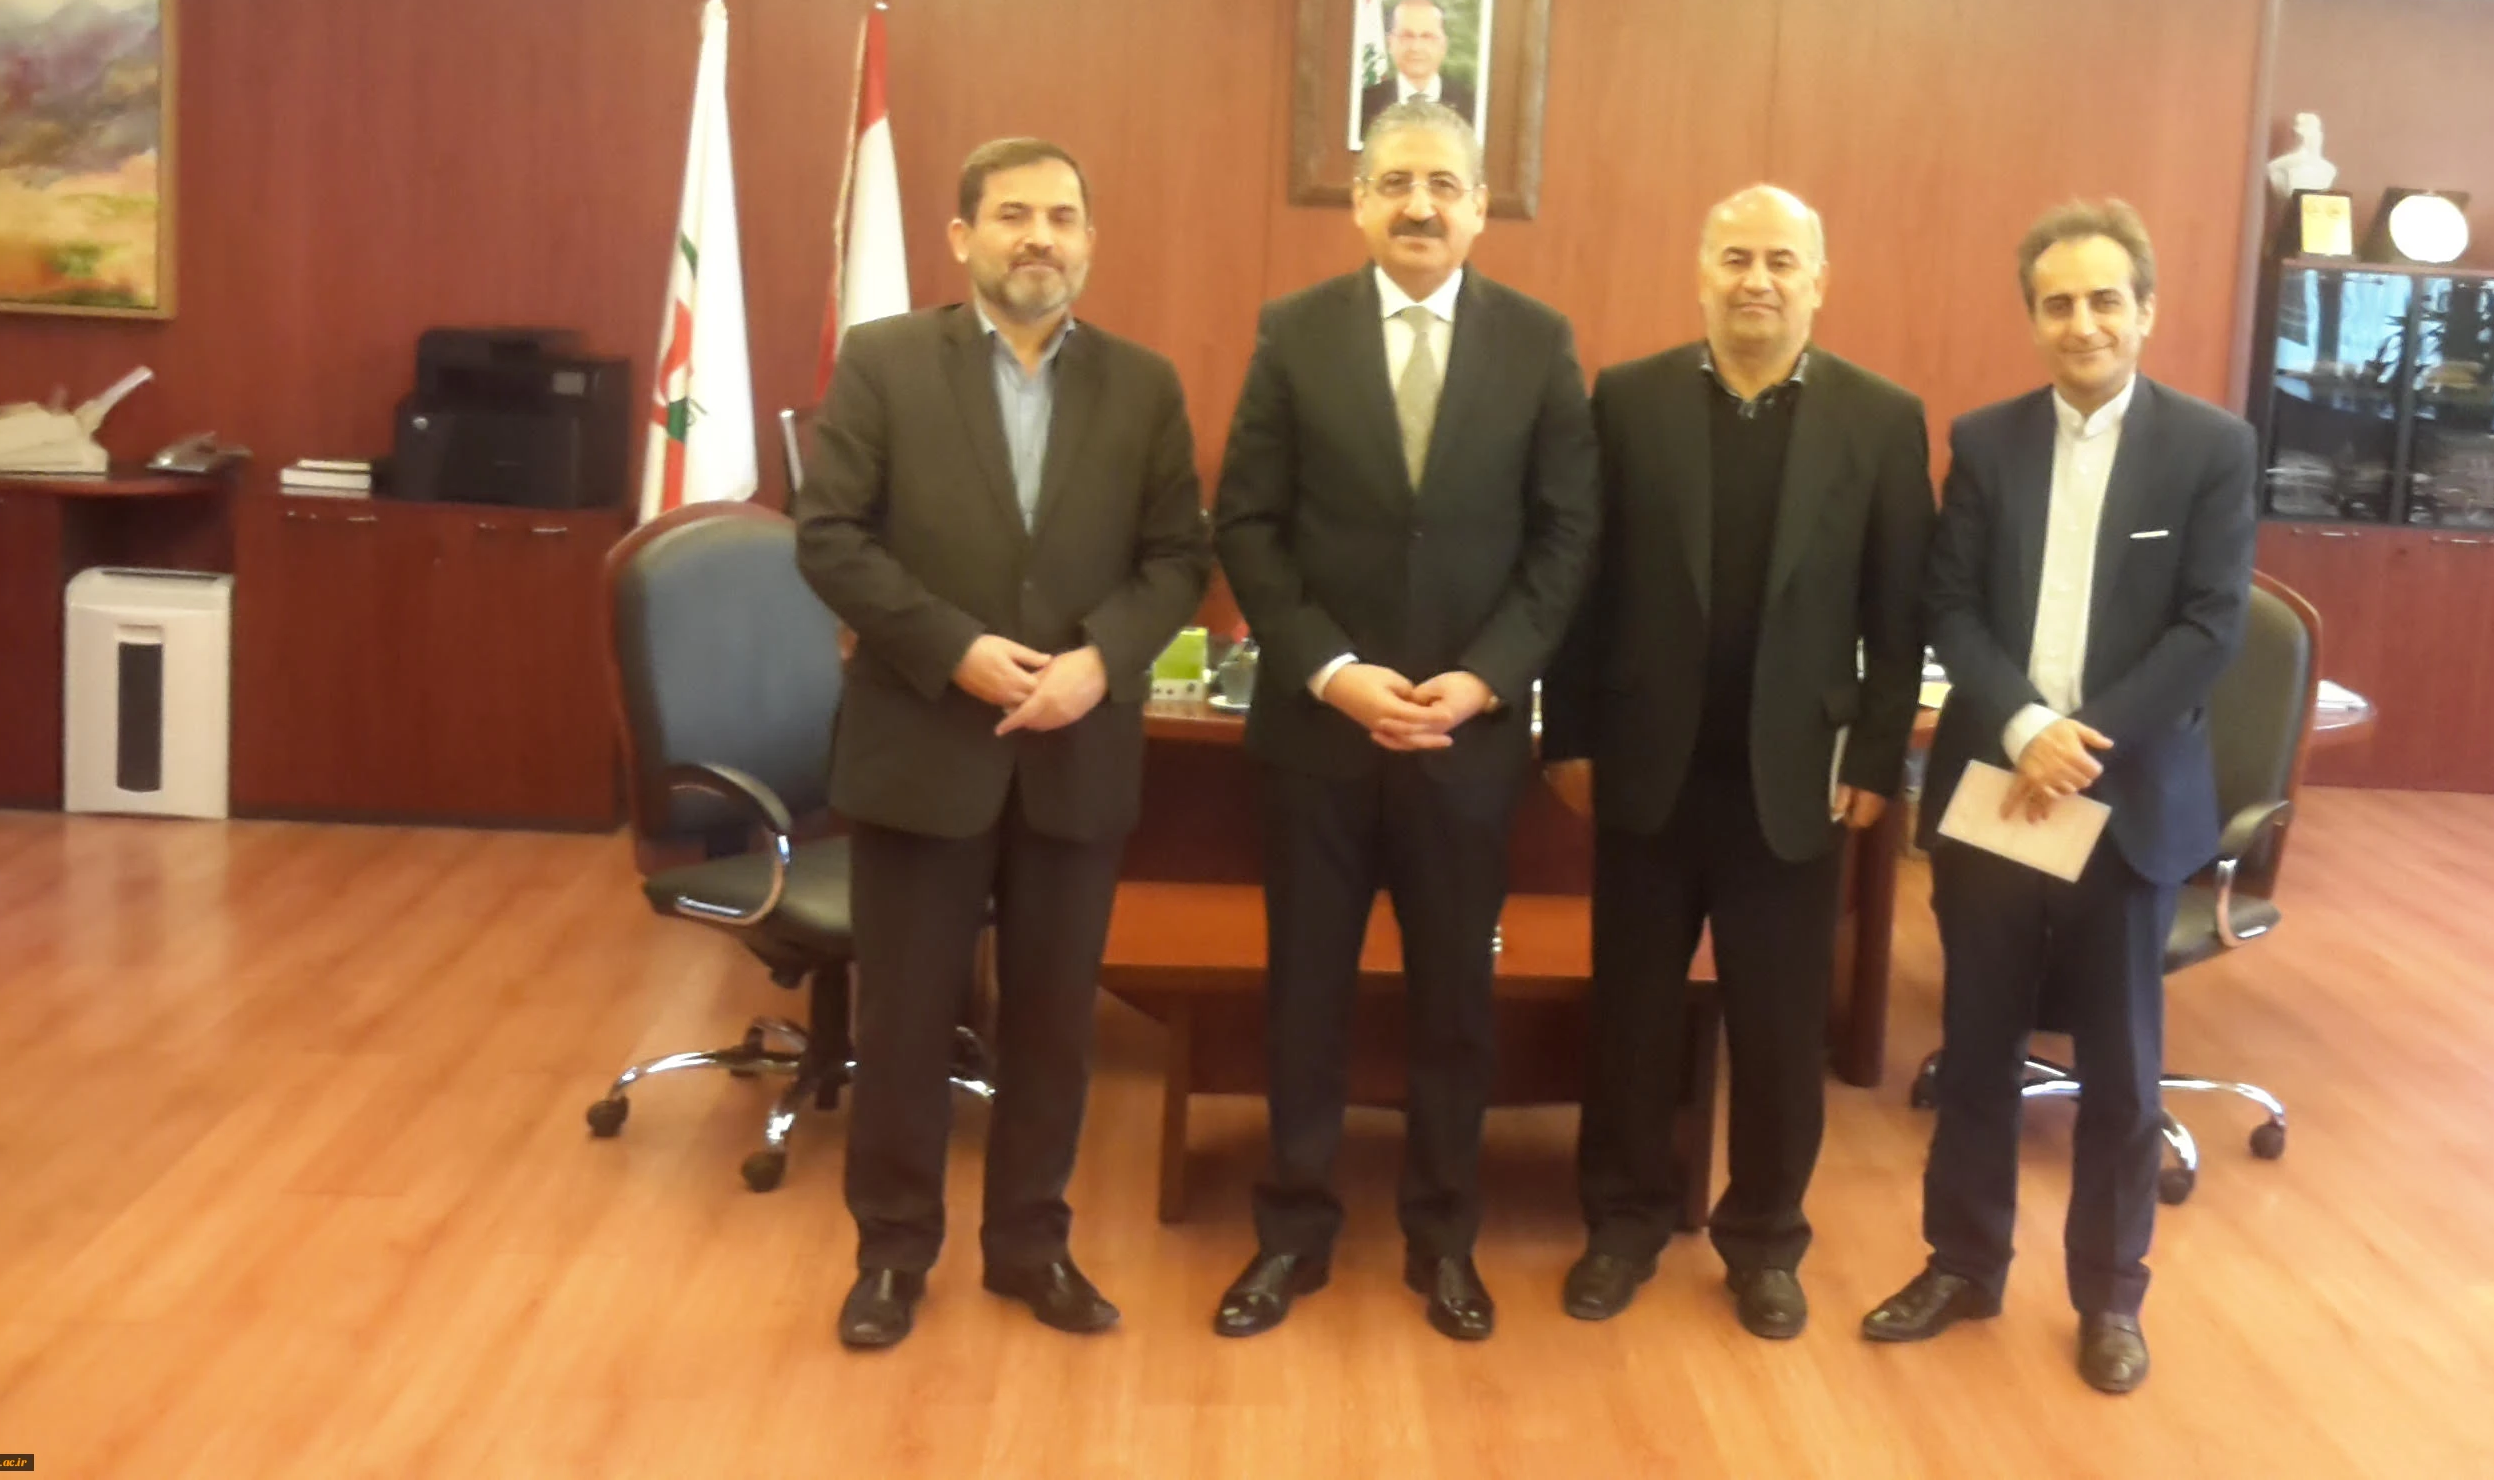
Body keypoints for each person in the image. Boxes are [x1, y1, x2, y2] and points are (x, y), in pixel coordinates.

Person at [794, 137, 1212, 1351]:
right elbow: (830, 536)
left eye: (1063, 217)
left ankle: (1030, 1245)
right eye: (1015, 214)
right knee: (903, 1025)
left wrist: (1100, 660)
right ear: (962, 236)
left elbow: (1177, 557)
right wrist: (956, 650)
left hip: (1077, 750)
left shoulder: (1143, 385)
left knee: (1053, 1026)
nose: (1041, 237)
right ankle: (891, 1254)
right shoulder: (884, 362)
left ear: (1089, 240)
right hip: (924, 742)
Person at [1209, 98, 1600, 1342]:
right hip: (1319, 739)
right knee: (1305, 998)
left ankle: (1445, 1239)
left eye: (1442, 185)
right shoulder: (1295, 332)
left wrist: (1487, 678)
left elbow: (1567, 536)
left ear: (1480, 206)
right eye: (1394, 183)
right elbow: (1247, 524)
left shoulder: (1538, 342)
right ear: (1360, 203)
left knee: (1455, 1008)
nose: (1419, 205)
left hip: (1466, 744)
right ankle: (1293, 1232)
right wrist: (1331, 670)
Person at [1860, 198, 2255, 1396]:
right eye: (2057, 304)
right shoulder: (1986, 442)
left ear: (2146, 311)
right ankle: (1963, 1265)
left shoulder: (2210, 447)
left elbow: (2210, 627)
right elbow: (1948, 605)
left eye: (2104, 300)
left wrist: (2084, 740)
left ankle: (2109, 1297)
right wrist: (2028, 729)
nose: (2082, 323)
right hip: (2001, 788)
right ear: (2032, 318)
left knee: (2122, 1076)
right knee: (1976, 1052)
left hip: (2126, 801)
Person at [1540, 185, 1931, 1339]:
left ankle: (1764, 1240)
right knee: (1632, 1020)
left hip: (1797, 780)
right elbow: (1583, 585)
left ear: (1819, 282)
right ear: (1700, 274)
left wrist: (1879, 756)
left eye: (1780, 261)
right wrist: (1569, 734)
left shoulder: (1881, 417)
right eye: (1735, 258)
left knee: (1777, 1032)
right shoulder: (1628, 400)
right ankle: (1622, 1225)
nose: (1757, 280)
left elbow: (1899, 610)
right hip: (1646, 771)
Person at [1358, 0, 1473, 141]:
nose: (1416, 47)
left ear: (1443, 45)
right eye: (1407, 36)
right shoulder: (1363, 105)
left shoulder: (1472, 105)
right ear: (1390, 43)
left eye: (1427, 36)